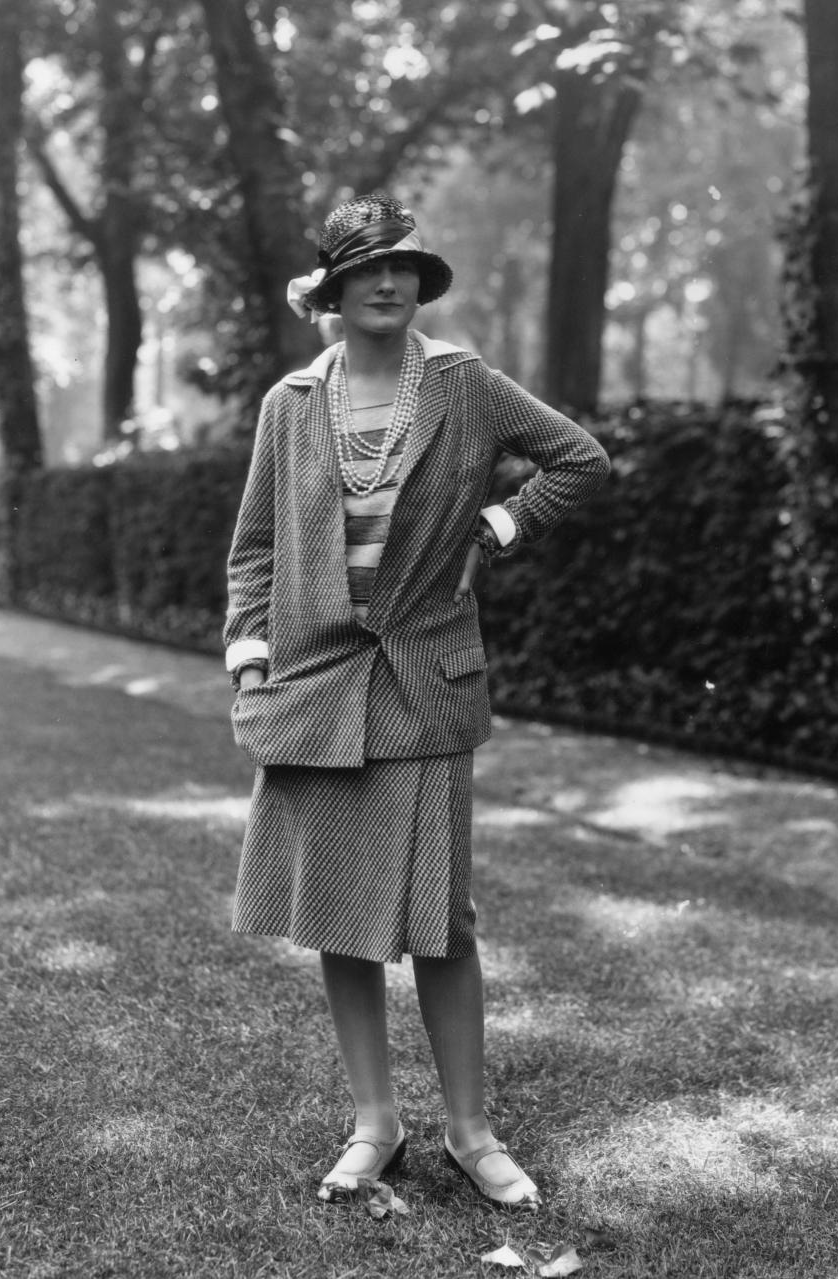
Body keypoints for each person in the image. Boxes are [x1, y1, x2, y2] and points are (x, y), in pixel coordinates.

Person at [223, 193, 610, 1209]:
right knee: (341, 919)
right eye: (365, 271)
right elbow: (256, 549)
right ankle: (375, 1122)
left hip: (427, 680)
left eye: (403, 267)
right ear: (335, 292)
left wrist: (496, 526)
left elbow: (580, 459)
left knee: (444, 921)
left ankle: (472, 1129)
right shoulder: (289, 404)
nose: (388, 283)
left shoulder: (464, 385)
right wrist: (250, 660)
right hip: (313, 684)